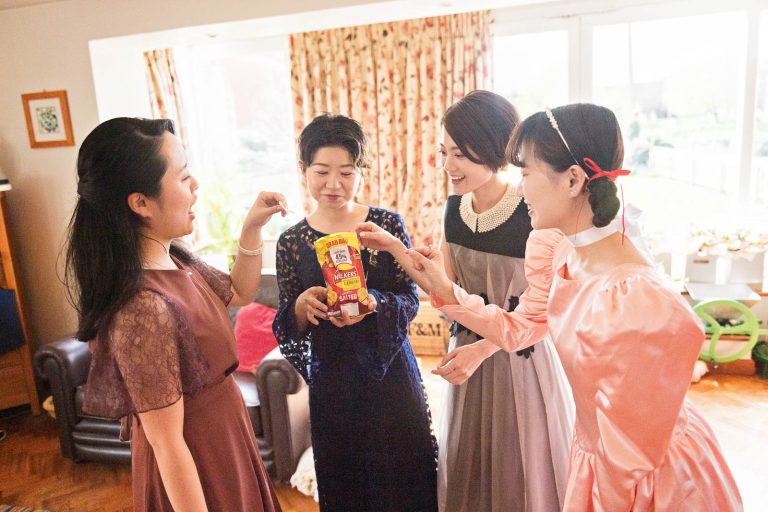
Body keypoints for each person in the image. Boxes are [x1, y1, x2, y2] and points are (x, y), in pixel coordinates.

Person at [358, 103, 742, 511]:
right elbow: (519, 327)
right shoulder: (560, 250)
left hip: (651, 479)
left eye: (526, 173)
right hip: (601, 457)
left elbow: (634, 454)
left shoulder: (635, 297)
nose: (520, 188)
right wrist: (444, 288)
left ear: (573, 179)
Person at [65, 117, 284, 512]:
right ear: (141, 203)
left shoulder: (176, 258)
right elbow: (167, 445)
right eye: (183, 177)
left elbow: (238, 291)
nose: (196, 186)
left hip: (226, 441)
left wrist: (251, 228)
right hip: (196, 468)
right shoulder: (141, 309)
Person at [272, 114, 437, 511]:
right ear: (303, 170)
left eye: (346, 172)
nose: (334, 184)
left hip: (392, 378)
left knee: (406, 478)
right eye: (322, 171)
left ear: (360, 171)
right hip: (334, 383)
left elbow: (411, 300)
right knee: (347, 486)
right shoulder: (292, 240)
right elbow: (285, 322)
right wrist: (300, 307)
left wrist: (375, 304)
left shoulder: (384, 225)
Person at [433, 90, 573, 512]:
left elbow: (544, 308)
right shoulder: (453, 209)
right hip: (465, 359)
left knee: (521, 474)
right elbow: (447, 290)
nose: (448, 166)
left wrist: (484, 346)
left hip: (519, 361)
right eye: (444, 152)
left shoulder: (533, 211)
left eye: (460, 153)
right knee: (467, 468)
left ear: (492, 147)